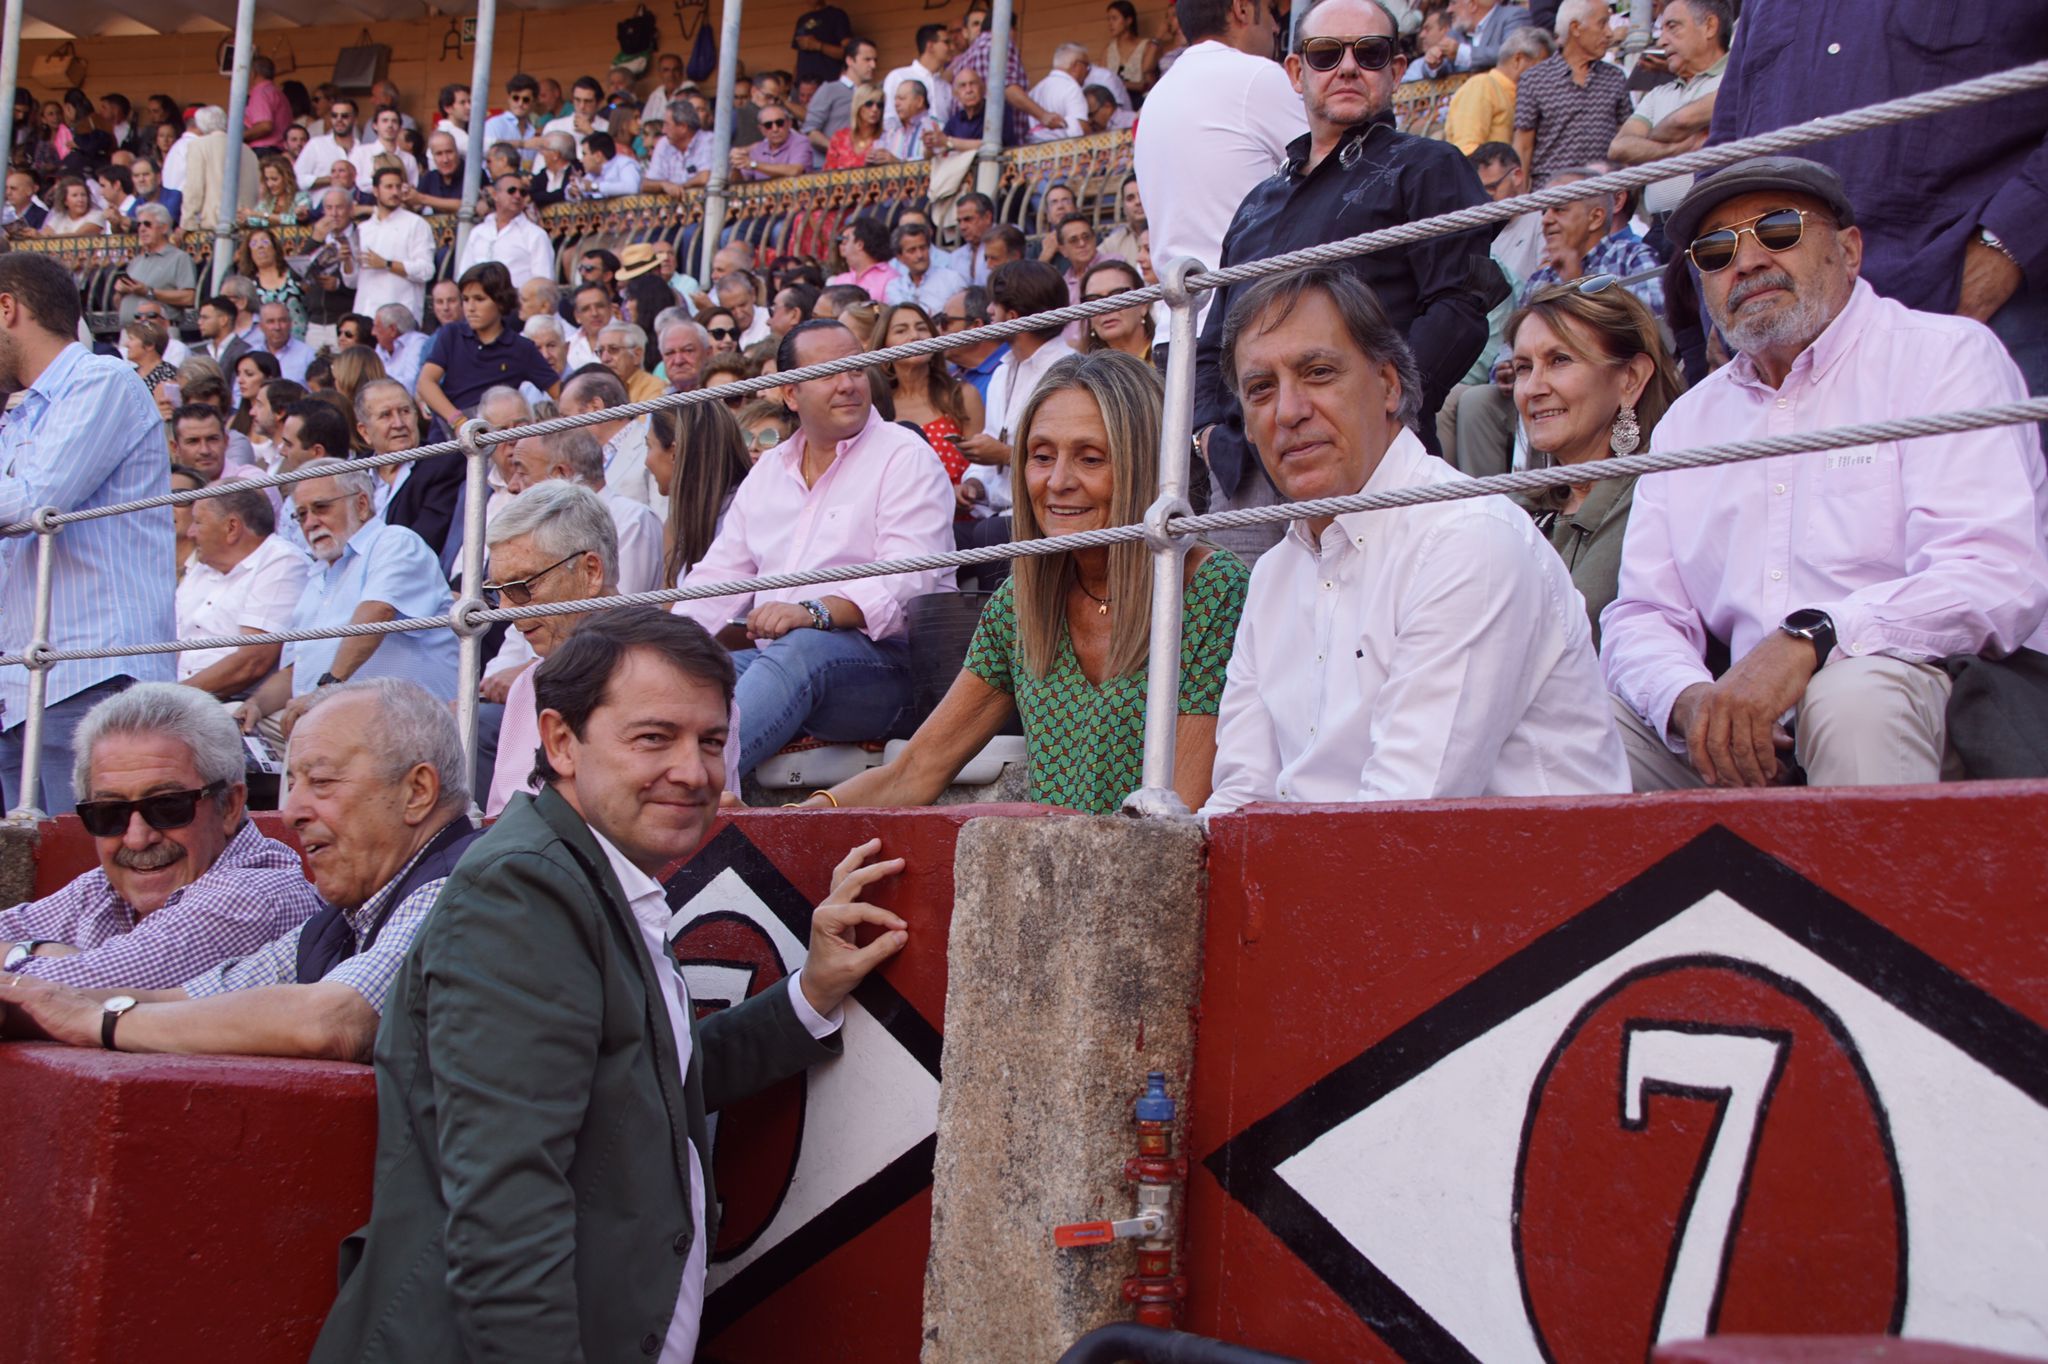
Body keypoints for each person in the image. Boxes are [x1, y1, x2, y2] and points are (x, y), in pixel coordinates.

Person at [310, 603, 905, 1363]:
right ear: (561, 741)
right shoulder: (522, 894)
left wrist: (810, 992)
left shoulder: (587, 874)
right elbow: (506, 1212)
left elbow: (648, 1081)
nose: (692, 772)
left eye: (712, 742)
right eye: (654, 738)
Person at [1602, 157, 2048, 791]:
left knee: (1853, 698)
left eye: (1778, 229)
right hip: (1748, 723)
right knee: (1586, 729)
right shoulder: (1690, 422)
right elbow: (1643, 612)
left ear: (1850, 251)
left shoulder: (1943, 358)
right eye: (1716, 249)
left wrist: (1813, 640)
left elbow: (1992, 573)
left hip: (1931, 689)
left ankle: (1875, 896)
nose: (1747, 261)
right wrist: (1689, 700)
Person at [1201, 266, 1627, 813]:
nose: (1288, 411)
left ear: (1388, 385)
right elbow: (1242, 795)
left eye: (1318, 372)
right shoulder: (1275, 572)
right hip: (1345, 870)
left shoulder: (1466, 540)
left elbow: (1402, 815)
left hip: (1517, 887)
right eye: (1261, 389)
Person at [825, 351, 1251, 814]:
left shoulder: (1212, 590)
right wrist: (789, 822)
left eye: (1091, 459)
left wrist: (1010, 819)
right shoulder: (1020, 600)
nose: (1057, 481)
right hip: (1046, 870)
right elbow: (913, 772)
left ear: (1144, 466)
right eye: (1041, 456)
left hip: (1149, 874)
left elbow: (1178, 815)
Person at [1, 681, 477, 1062]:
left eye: (322, 782)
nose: (290, 812)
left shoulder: (466, 886)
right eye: (107, 815)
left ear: (417, 792)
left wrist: (93, 1020)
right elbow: (192, 998)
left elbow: (335, 1019)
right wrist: (49, 996)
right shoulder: (341, 921)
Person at [1192, 0, 1503, 562]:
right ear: (1296, 71)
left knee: (1372, 638)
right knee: (1246, 639)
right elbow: (1215, 340)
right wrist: (1209, 434)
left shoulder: (1428, 167)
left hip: (1369, 459)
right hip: (1246, 473)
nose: (1348, 67)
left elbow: (1459, 307)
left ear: (1397, 68)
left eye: (1370, 52)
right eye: (1327, 53)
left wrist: (1382, 413)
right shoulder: (1259, 202)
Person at [1705, 0, 2048, 413]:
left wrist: (2006, 245)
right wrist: (1713, 299)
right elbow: (1723, 150)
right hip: (1782, 341)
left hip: (1967, 303)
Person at [674, 320, 956, 778]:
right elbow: (716, 579)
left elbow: (910, 581)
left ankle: (687, 791)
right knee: (693, 672)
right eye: (829, 372)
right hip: (780, 660)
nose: (848, 385)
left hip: (889, 669)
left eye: (857, 369)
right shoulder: (768, 472)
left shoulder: (904, 455)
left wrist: (814, 611)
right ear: (789, 394)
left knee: (801, 649)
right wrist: (662, 650)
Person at [0, 256, 176, 814]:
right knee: (32, 882)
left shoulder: (103, 380)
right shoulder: (19, 413)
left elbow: (33, 501)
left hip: (90, 672)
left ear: (7, 308)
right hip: (24, 681)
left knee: (84, 868)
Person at [0, 685, 322, 988]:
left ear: (230, 806)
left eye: (168, 806)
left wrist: (23, 954)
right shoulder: (102, 888)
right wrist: (45, 953)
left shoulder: (252, 896)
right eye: (109, 812)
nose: (137, 838)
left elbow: (59, 991)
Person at [1504, 280, 1681, 645]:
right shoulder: (1513, 507)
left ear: (1630, 378)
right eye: (1523, 367)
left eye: (1559, 360)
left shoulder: (1660, 489)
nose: (1533, 388)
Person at [238, 462, 460, 743]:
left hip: (402, 729)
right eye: (302, 514)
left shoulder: (394, 542)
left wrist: (327, 689)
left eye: (321, 507)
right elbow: (296, 669)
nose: (310, 523)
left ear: (362, 504)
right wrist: (256, 705)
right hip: (328, 725)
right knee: (224, 728)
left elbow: (378, 612)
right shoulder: (316, 577)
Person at [1133, 0, 1304, 332]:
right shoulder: (1257, 74)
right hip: (1251, 323)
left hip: (1177, 327)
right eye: (1269, 10)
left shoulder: (1155, 98)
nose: (1274, 26)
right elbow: (1334, 170)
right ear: (1241, 9)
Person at [479, 480, 629, 815]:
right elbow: (500, 821)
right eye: (497, 590)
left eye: (522, 585)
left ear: (590, 572)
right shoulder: (528, 684)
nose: (505, 609)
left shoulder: (678, 675)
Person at [1606, 0, 1728, 253]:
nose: (1662, 41)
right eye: (1661, 30)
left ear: (1709, 26)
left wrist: (1649, 143)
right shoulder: (1657, 94)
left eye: (1673, 27)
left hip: (1714, 227)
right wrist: (1682, 148)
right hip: (1659, 232)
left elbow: (1679, 121)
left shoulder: (1734, 80)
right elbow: (1619, 148)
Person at [172, 486, 311, 697]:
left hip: (232, 704)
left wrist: (170, 698)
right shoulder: (202, 566)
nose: (190, 532)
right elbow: (173, 643)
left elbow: (252, 662)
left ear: (232, 527)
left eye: (198, 523)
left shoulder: (280, 561)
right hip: (179, 698)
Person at [961, 260, 1074, 521]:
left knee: (984, 536)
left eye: (994, 304)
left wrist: (1004, 455)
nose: (988, 310)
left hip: (1045, 514)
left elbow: (1071, 456)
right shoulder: (1002, 371)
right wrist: (974, 485)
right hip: (997, 513)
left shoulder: (1069, 370)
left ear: (1012, 317)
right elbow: (992, 438)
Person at [416, 261, 562, 430]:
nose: (470, 308)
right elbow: (425, 383)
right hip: (446, 440)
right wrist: (458, 421)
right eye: (465, 299)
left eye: (479, 299)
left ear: (500, 301)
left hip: (496, 445)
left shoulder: (522, 348)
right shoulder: (451, 335)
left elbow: (559, 393)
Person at [1511, 0, 1632, 189]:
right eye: (1602, 23)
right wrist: (1523, 204)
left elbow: (1626, 138)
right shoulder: (1534, 80)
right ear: (1575, 28)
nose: (1609, 33)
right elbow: (1523, 148)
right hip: (1551, 198)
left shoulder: (1615, 77)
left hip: (1604, 195)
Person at [874, 302, 984, 487]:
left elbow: (982, 468)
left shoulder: (962, 395)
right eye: (901, 331)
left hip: (966, 513)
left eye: (922, 328)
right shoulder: (876, 406)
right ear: (884, 345)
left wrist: (968, 489)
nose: (915, 336)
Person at [649, 402, 753, 587]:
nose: (646, 461)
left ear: (674, 453)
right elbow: (671, 612)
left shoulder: (747, 511)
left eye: (649, 446)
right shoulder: (676, 525)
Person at [556, 366, 662, 518]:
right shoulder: (582, 459)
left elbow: (663, 519)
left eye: (565, 417)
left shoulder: (651, 448)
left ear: (595, 407)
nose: (560, 428)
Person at [1445, 26, 1551, 155]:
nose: (1546, 74)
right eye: (1542, 66)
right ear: (1518, 59)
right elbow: (1467, 150)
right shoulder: (1482, 85)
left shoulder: (1523, 97)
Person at [347, 165, 433, 321]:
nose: (395, 192)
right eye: (388, 187)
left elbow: (426, 271)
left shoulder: (416, 224)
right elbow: (351, 282)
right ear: (375, 191)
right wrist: (346, 260)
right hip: (365, 314)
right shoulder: (362, 229)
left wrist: (387, 264)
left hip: (401, 316)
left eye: (398, 187)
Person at [454, 172, 554, 287]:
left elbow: (544, 283)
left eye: (522, 192)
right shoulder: (478, 232)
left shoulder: (535, 235)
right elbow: (464, 275)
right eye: (511, 191)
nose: (518, 196)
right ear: (495, 195)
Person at [176, 105, 262, 235]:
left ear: (201, 125)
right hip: (247, 226)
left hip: (216, 226)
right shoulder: (248, 150)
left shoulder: (198, 146)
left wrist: (187, 223)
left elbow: (194, 188)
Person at [113, 203, 197, 328]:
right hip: (129, 332)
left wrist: (149, 292)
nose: (141, 229)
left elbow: (189, 297)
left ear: (163, 228)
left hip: (159, 334)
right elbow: (119, 304)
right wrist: (119, 292)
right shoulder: (136, 261)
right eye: (139, 224)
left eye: (147, 224)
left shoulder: (180, 258)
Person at [803, 34, 877, 151]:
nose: (873, 65)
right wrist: (839, 149)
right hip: (829, 165)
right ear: (849, 60)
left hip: (863, 164)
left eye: (875, 60)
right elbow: (810, 131)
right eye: (867, 59)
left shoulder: (874, 94)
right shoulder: (829, 89)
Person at [885, 220, 970, 314]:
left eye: (923, 248)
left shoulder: (952, 280)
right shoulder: (896, 287)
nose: (920, 255)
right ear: (899, 257)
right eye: (912, 250)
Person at [884, 24, 957, 133]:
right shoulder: (898, 76)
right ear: (930, 46)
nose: (952, 47)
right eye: (946, 42)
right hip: (905, 147)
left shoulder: (946, 87)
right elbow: (889, 120)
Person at [942, 286, 1008, 401]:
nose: (939, 329)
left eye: (945, 322)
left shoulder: (1012, 367)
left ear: (976, 326)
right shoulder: (946, 376)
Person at [1081, 259, 1154, 361]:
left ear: (1143, 304)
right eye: (1094, 301)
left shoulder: (1174, 353)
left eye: (1117, 296)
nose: (1106, 308)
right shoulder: (1082, 374)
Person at [644, 99, 719, 196]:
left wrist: (680, 187)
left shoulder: (709, 140)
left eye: (667, 125)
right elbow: (645, 184)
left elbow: (705, 177)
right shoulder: (664, 143)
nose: (663, 130)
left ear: (683, 127)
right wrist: (663, 185)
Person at [1027, 44, 1093, 143]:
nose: (1087, 73)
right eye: (1087, 67)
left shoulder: (1035, 90)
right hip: (1059, 153)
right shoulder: (1072, 88)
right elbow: (1080, 130)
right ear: (1076, 66)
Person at [736, 101, 817, 181]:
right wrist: (736, 166)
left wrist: (754, 164)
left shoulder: (801, 142)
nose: (775, 129)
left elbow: (795, 170)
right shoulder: (757, 150)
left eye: (779, 123)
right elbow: (740, 181)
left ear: (789, 124)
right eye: (768, 125)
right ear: (762, 130)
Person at [1451, 0, 1535, 71]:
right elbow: (1447, 66)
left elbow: (1512, 54)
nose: (1449, 9)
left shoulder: (1514, 16)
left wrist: (1463, 52)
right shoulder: (1457, 30)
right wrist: (1438, 63)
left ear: (1472, 5)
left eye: (1453, 3)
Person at [1105, 0, 1162, 100]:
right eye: (1108, 19)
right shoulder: (1108, 50)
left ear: (1128, 20)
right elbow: (1102, 80)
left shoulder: (1146, 46)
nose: (1110, 23)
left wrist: (1123, 84)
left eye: (1114, 18)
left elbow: (1150, 83)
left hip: (1141, 100)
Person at [826, 84, 887, 168]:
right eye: (869, 104)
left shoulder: (886, 138)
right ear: (858, 106)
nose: (875, 109)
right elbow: (827, 174)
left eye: (880, 105)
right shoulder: (839, 137)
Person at [371, 304, 428, 395]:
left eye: (377, 327)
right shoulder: (381, 347)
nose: (373, 332)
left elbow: (411, 386)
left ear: (392, 329)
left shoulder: (417, 343)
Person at [253, 301, 314, 384]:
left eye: (282, 321)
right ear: (260, 326)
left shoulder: (308, 355)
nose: (277, 327)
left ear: (290, 324)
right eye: (271, 321)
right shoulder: (252, 355)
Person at [408, 130, 466, 215]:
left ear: (457, 152)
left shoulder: (472, 175)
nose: (445, 159)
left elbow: (467, 206)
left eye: (449, 152)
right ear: (433, 157)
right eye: (439, 154)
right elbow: (416, 206)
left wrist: (423, 199)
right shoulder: (430, 177)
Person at [658, 319, 709, 393]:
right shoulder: (655, 398)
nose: (678, 361)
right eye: (670, 353)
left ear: (708, 353)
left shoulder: (723, 396)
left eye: (688, 350)